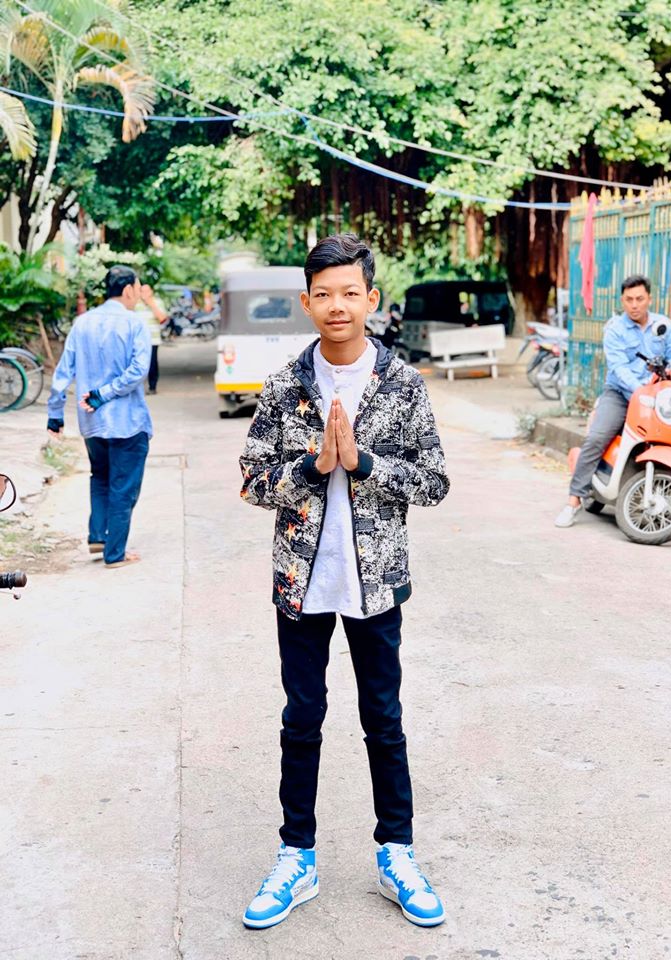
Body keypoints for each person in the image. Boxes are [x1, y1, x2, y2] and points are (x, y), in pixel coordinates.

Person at [239, 234, 450, 930]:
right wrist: (311, 466)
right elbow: (252, 481)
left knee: (383, 719)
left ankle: (397, 853)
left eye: (349, 293)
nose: (337, 306)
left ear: (371, 299)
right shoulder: (284, 385)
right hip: (301, 582)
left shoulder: (403, 385)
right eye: (323, 294)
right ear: (306, 302)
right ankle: (296, 856)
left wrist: (364, 465)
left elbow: (434, 481)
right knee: (301, 719)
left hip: (376, 583)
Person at [555, 274, 671, 527]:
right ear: (622, 301)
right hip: (621, 394)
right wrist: (640, 392)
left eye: (639, 299)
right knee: (596, 438)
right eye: (629, 300)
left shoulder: (663, 325)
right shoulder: (615, 328)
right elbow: (619, 368)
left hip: (655, 396)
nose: (634, 305)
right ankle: (573, 501)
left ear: (649, 299)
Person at [46, 265, 153, 567]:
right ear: (128, 290)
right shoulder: (135, 324)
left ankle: (98, 537)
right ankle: (115, 553)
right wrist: (103, 393)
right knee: (123, 486)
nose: (138, 295)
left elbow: (62, 372)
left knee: (101, 477)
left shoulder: (82, 324)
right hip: (127, 422)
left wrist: (55, 415)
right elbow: (138, 371)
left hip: (92, 423)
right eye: (138, 288)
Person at [135, 283, 168, 394]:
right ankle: (137, 388)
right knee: (137, 363)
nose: (144, 294)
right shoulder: (136, 304)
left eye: (147, 291)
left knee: (152, 363)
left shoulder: (158, 302)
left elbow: (162, 318)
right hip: (138, 340)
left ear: (151, 292)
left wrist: (151, 304)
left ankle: (152, 386)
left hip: (153, 339)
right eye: (142, 291)